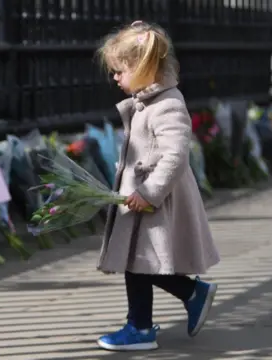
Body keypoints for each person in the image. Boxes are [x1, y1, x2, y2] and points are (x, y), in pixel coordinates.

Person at [94, 21, 221, 351]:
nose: (115, 78)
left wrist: (149, 192)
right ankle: (190, 296)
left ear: (142, 67)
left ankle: (141, 327)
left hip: (154, 202)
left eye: (119, 71)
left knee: (140, 262)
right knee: (140, 262)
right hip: (141, 200)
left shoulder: (166, 104)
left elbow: (176, 155)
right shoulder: (148, 102)